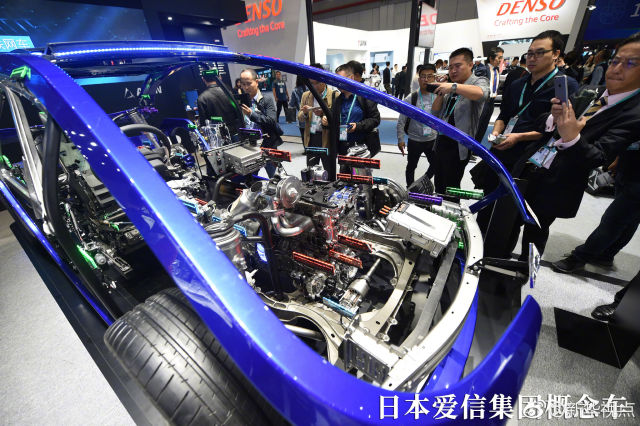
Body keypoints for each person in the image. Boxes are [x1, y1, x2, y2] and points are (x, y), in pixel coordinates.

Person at [514, 32, 640, 259]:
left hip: (558, 182)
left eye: (631, 63)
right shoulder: (590, 90)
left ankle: (523, 272)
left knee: (536, 230)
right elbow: (542, 122)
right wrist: (553, 118)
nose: (617, 69)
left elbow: (598, 157)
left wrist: (572, 137)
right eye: (615, 61)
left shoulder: (634, 114)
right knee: (506, 219)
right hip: (531, 165)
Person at [430, 47, 489, 193]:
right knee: (439, 184)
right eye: (450, 67)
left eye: (457, 66)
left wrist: (453, 86)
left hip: (459, 145)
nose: (453, 70)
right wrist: (440, 91)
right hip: (441, 141)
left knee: (451, 187)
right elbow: (435, 112)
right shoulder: (451, 86)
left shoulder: (477, 81)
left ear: (470, 65)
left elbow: (481, 94)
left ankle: (450, 208)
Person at [397, 64, 438, 186]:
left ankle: (421, 183)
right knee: (411, 167)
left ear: (434, 78)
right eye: (423, 76)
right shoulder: (411, 98)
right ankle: (410, 190)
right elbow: (401, 120)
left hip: (432, 139)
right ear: (419, 79)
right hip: (415, 140)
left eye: (429, 76)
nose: (426, 79)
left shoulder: (438, 96)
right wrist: (400, 139)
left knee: (435, 165)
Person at [332, 63, 381, 162]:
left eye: (341, 80)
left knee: (358, 172)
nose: (338, 83)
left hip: (361, 148)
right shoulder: (338, 100)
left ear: (351, 78)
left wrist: (358, 126)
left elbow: (375, 119)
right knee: (344, 171)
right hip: (343, 146)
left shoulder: (365, 96)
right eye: (336, 80)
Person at [239, 68, 283, 177]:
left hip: (267, 144)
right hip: (249, 146)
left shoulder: (266, 99)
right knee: (251, 179)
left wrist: (251, 114)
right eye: (243, 84)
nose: (246, 87)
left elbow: (271, 120)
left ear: (256, 82)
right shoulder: (240, 102)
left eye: (249, 83)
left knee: (275, 177)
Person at [298, 63, 337, 170]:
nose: (314, 86)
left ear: (323, 80)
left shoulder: (334, 95)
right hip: (311, 137)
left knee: (329, 170)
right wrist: (305, 113)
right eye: (311, 83)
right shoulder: (306, 95)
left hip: (327, 138)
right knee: (311, 170)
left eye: (317, 83)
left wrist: (324, 114)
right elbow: (300, 117)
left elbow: (338, 118)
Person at [197, 69, 241, 136]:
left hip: (217, 137)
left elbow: (204, 124)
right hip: (235, 133)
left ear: (203, 79)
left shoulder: (201, 98)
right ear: (219, 77)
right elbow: (238, 113)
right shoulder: (230, 93)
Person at [475, 47, 504, 141]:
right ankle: (469, 146)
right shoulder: (482, 69)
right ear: (491, 58)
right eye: (499, 58)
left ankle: (477, 147)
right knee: (477, 126)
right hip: (482, 101)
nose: (500, 60)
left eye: (501, 58)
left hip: (491, 102)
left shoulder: (496, 70)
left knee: (484, 126)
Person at [289, 75, 307, 140]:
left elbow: (291, 104)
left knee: (303, 137)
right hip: (311, 116)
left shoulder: (295, 90)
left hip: (301, 116)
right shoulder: (310, 89)